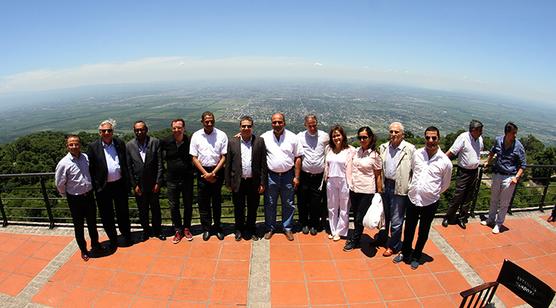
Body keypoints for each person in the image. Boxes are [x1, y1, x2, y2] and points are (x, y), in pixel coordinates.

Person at [394, 126, 452, 270]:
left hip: (430, 202)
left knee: (423, 231)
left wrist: (431, 192)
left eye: (434, 138)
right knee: (408, 229)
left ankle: (416, 256)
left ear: (439, 139)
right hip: (413, 198)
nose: (430, 140)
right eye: (427, 137)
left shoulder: (445, 162)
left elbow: (445, 185)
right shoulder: (417, 154)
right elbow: (413, 172)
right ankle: (405, 252)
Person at [55, 135, 102, 261]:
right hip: (75, 199)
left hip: (89, 196)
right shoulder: (63, 163)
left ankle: (96, 245)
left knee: (92, 223)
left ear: (80, 145)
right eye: (71, 144)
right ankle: (84, 250)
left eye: (76, 144)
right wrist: (66, 195)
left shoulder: (86, 158)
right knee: (79, 226)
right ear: (67, 146)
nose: (74, 146)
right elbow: (59, 183)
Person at [88, 119, 132, 248]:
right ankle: (113, 239)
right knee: (107, 215)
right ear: (99, 133)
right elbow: (91, 168)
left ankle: (127, 236)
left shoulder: (119, 143)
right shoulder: (93, 147)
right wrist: (97, 186)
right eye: (104, 131)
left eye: (109, 130)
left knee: (123, 213)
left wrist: (127, 183)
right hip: (104, 187)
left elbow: (125, 164)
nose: (107, 133)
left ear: (113, 132)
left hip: (119, 185)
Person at [260, 112, 303, 241]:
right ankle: (270, 228)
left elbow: (298, 158)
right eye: (274, 122)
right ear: (271, 123)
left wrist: (297, 177)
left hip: (288, 175)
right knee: (270, 203)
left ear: (284, 123)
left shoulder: (293, 137)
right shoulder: (264, 137)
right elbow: (253, 145)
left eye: (279, 122)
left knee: (288, 203)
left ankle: (288, 228)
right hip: (270, 176)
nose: (277, 124)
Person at [225, 116, 268, 241]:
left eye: (249, 126)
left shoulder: (259, 141)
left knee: (253, 207)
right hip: (238, 182)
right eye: (244, 126)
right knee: (238, 207)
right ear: (240, 127)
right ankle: (239, 229)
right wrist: (228, 182)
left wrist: (262, 183)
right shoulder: (232, 142)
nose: (246, 128)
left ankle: (251, 229)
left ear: (252, 127)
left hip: (253, 181)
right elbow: (228, 164)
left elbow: (263, 164)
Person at [378, 122, 415, 257]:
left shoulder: (410, 149)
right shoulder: (383, 148)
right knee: (384, 216)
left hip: (399, 187)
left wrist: (409, 186)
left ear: (402, 134)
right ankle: (382, 238)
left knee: (396, 219)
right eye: (391, 131)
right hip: (385, 184)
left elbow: (414, 170)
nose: (393, 134)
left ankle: (393, 245)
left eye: (396, 132)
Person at [482, 122, 526, 234]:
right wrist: (488, 161)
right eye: (513, 133)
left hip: (509, 177)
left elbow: (523, 165)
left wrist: (516, 177)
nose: (515, 135)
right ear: (506, 133)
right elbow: (492, 152)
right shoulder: (498, 141)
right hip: (497, 174)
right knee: (493, 199)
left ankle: (498, 224)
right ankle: (490, 219)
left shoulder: (518, 146)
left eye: (515, 133)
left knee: (504, 203)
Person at [190, 111, 228, 241]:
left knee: (217, 202)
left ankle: (217, 227)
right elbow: (194, 158)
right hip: (202, 173)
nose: (209, 123)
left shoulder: (221, 135)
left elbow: (224, 157)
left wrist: (213, 173)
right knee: (203, 202)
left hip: (217, 172)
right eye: (207, 121)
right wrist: (205, 174)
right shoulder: (196, 135)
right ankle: (206, 229)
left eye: (212, 121)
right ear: (202, 122)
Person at [345, 126, 383, 251]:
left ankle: (356, 240)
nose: (362, 140)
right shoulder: (356, 151)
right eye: (360, 137)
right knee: (355, 214)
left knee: (359, 217)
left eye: (365, 137)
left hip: (367, 190)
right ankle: (356, 236)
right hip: (354, 188)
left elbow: (378, 175)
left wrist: (379, 193)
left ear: (370, 138)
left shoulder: (375, 155)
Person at [126, 120, 165, 241]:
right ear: (134, 131)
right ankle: (146, 231)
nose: (139, 132)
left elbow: (160, 164)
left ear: (146, 129)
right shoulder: (129, 145)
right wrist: (134, 185)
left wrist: (158, 182)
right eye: (137, 130)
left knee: (156, 209)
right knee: (142, 211)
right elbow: (129, 167)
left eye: (141, 129)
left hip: (153, 184)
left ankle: (158, 231)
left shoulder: (155, 142)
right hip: (139, 185)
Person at [443, 120, 484, 229]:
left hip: (474, 172)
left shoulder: (480, 139)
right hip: (463, 172)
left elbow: (479, 152)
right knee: (458, 196)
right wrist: (441, 161)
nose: (481, 132)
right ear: (473, 130)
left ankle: (462, 218)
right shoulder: (463, 137)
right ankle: (448, 217)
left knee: (468, 197)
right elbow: (452, 152)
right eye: (480, 130)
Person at [162, 118, 195, 243]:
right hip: (171, 180)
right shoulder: (166, 141)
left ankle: (186, 228)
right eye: (174, 128)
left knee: (188, 205)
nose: (177, 130)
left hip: (187, 179)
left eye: (179, 127)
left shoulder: (190, 141)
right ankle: (177, 230)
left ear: (184, 128)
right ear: (172, 129)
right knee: (173, 206)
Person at [297, 114, 329, 235]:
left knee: (316, 202)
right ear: (305, 125)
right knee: (303, 200)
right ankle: (304, 223)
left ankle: (314, 224)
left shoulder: (324, 136)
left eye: (314, 125)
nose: (312, 128)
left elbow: (336, 145)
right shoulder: (300, 136)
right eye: (309, 126)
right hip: (304, 175)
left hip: (318, 177)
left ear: (317, 124)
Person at [324, 125, 354, 241]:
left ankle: (340, 231)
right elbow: (327, 165)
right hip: (331, 179)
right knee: (331, 207)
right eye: (334, 136)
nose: (336, 138)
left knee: (344, 207)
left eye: (338, 135)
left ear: (343, 136)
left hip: (344, 180)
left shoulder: (350, 150)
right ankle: (333, 229)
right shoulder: (328, 149)